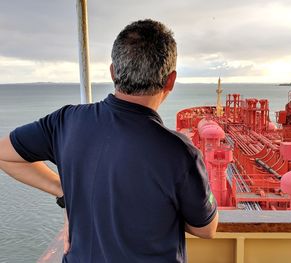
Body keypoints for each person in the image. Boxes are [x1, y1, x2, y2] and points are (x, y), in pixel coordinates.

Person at [0, 19, 218, 262]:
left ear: (113, 71)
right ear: (171, 80)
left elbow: (4, 154)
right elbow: (206, 228)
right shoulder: (180, 152)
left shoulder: (65, 121)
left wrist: (67, 190)